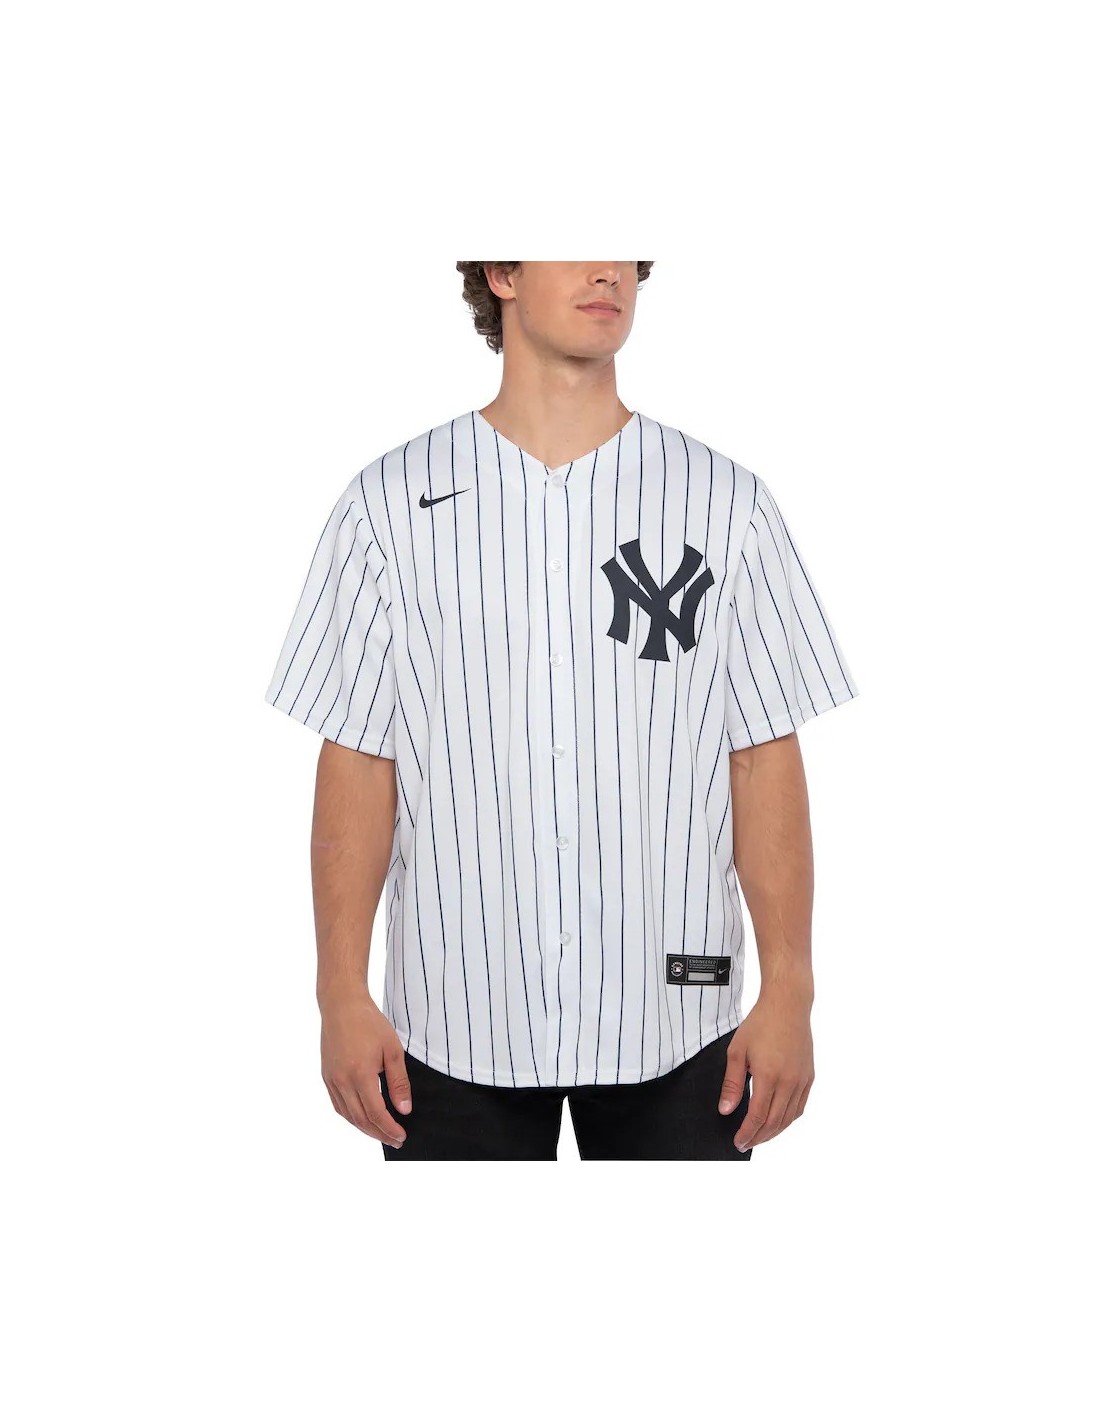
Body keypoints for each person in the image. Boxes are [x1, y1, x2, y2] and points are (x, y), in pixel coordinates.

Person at [263, 260, 859, 1160]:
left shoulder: (725, 503)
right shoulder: (386, 508)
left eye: (623, 247)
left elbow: (761, 755)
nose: (606, 269)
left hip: (681, 1012)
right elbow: (358, 757)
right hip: (453, 1018)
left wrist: (792, 991)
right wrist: (338, 992)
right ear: (501, 272)